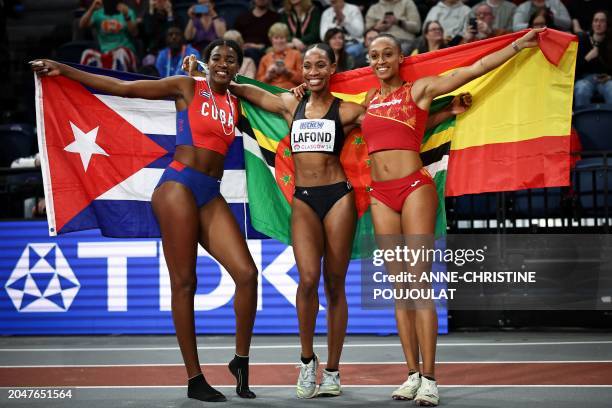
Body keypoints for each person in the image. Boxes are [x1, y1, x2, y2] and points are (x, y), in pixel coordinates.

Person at [30, 39, 258, 403]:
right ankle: (194, 378)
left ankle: (240, 362)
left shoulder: (237, 101)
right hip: (177, 187)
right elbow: (124, 88)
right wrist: (65, 69)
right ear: (207, 61)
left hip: (209, 193)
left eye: (231, 60)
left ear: (238, 67)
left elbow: (276, 107)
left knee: (247, 275)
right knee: (185, 282)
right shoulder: (187, 86)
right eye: (217, 57)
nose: (223, 63)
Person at [362, 29, 543, 406]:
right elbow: (406, 127)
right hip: (379, 195)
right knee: (400, 289)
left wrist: (515, 46)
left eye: (387, 53)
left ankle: (430, 378)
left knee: (418, 283)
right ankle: (411, 374)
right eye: (374, 55)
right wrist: (445, 114)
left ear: (400, 58)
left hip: (414, 188)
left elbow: (474, 68)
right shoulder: (367, 99)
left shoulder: (419, 89)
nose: (380, 60)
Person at [225, 43, 364, 399]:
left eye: (321, 65)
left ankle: (332, 371)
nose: (313, 71)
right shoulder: (292, 104)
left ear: (332, 68)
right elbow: (250, 93)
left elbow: (394, 121)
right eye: (308, 66)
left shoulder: (348, 110)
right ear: (301, 70)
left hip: (339, 199)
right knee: (306, 279)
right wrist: (219, 76)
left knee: (335, 284)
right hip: (303, 200)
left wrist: (445, 110)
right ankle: (307, 361)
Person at [78, 0, 139, 71]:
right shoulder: (98, 13)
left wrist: (126, 16)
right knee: (86, 53)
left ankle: (120, 80)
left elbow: (134, 33)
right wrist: (92, 8)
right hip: (105, 53)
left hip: (125, 51)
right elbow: (82, 25)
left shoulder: (128, 11)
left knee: (120, 53)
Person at [574, 10, 612, 107]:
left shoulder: (610, 42)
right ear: (592, 24)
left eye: (602, 21)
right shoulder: (583, 40)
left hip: (605, 80)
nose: (598, 24)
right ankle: (583, 121)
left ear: (607, 24)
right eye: (596, 21)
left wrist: (610, 77)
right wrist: (588, 57)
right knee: (581, 89)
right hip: (585, 79)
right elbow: (574, 69)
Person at [256, 22, 303, 89]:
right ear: (271, 39)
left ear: (287, 38)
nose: (279, 41)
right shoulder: (265, 58)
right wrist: (267, 76)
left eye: (282, 38)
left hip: (290, 92)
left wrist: (287, 72)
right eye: (276, 38)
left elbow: (302, 80)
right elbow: (257, 85)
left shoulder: (296, 54)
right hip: (269, 93)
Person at [234, 0, 279, 65]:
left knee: (251, 52)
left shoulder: (276, 18)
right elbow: (235, 37)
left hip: (266, 52)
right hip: (244, 52)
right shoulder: (242, 18)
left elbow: (278, 40)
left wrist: (259, 47)